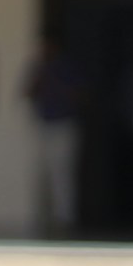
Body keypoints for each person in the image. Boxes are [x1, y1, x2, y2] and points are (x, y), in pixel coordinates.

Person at [22, 35, 82, 238]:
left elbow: (79, 94)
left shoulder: (66, 67)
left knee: (62, 174)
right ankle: (42, 219)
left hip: (63, 124)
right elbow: (26, 92)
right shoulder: (38, 68)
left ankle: (64, 220)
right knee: (41, 174)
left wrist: (57, 87)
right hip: (43, 125)